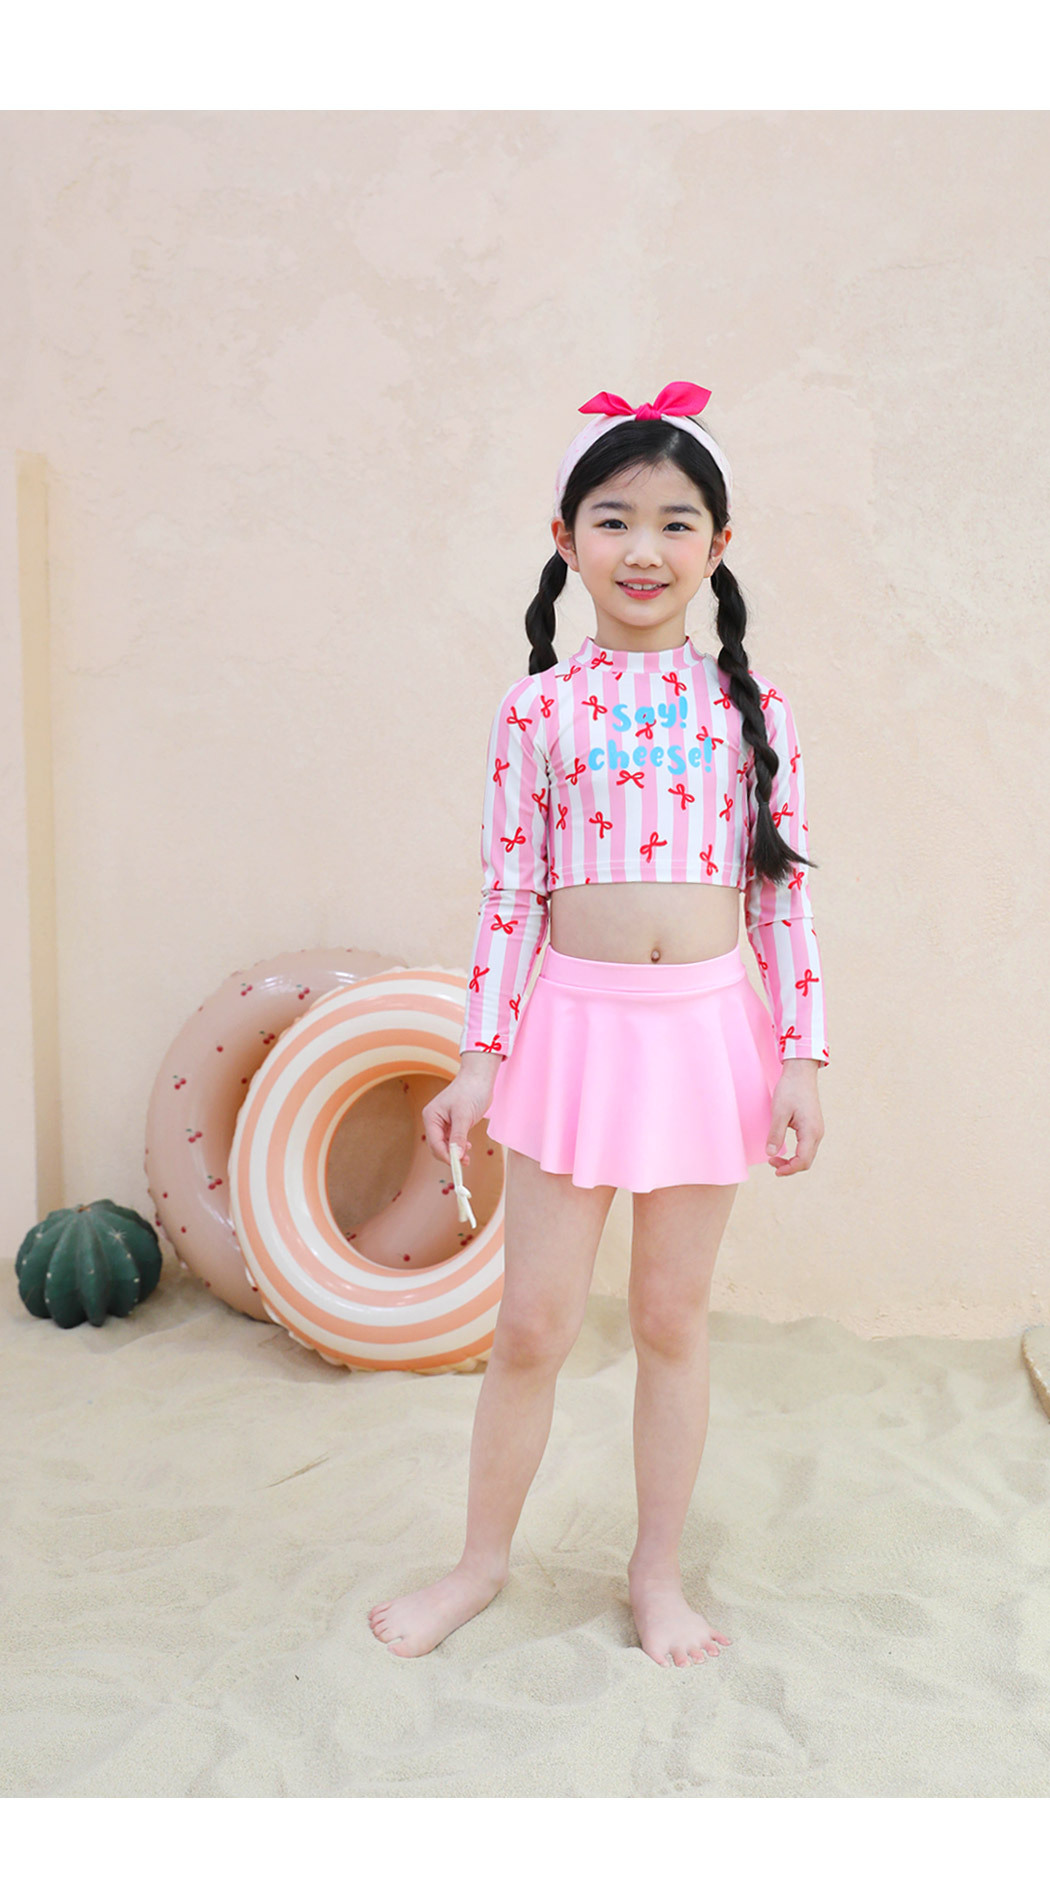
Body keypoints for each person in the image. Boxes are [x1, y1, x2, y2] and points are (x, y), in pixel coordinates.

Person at [368, 379, 828, 1668]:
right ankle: (478, 1564)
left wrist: (801, 1056)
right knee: (534, 1324)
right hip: (573, 1035)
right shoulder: (539, 709)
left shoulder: (755, 711)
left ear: (719, 545)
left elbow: (782, 897)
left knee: (673, 1320)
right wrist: (479, 1058)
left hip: (706, 1039)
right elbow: (511, 894)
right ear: (566, 539)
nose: (644, 549)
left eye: (677, 522)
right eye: (614, 519)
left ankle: (657, 1573)